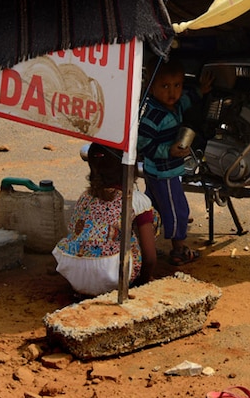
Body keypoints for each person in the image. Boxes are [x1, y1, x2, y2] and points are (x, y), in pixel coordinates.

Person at [52, 143, 158, 296]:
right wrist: (144, 281)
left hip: (74, 276)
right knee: (151, 217)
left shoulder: (85, 196)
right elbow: (150, 258)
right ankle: (126, 280)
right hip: (113, 278)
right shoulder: (136, 200)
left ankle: (86, 286)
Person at [137, 59, 212, 266]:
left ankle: (144, 244)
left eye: (177, 85)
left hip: (158, 173)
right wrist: (167, 151)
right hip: (164, 174)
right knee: (177, 210)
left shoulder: (174, 105)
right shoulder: (153, 116)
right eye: (165, 86)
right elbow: (143, 146)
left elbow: (186, 100)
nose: (172, 92)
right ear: (151, 87)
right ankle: (178, 250)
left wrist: (200, 91)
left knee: (151, 208)